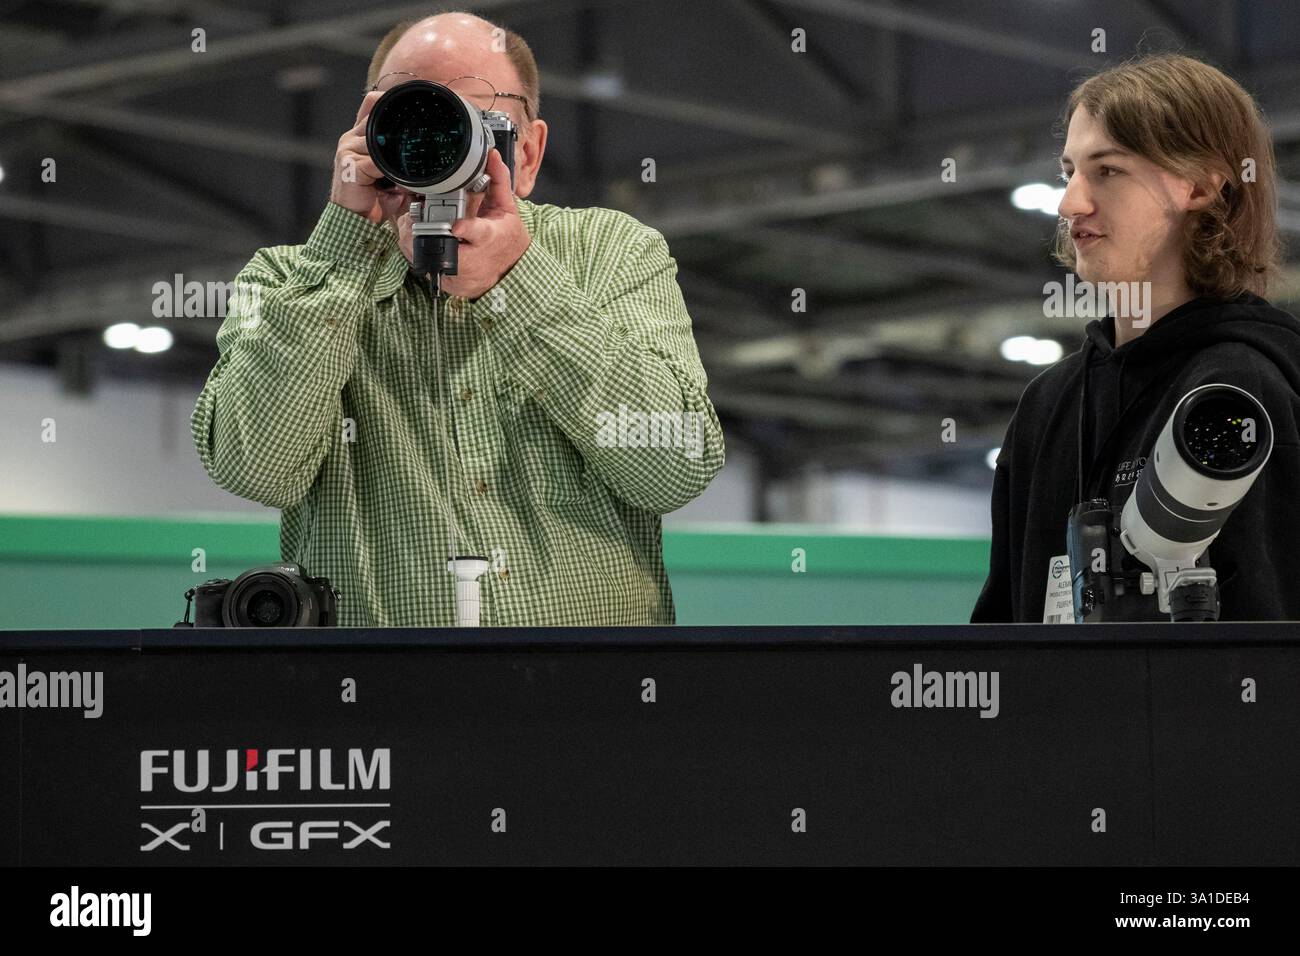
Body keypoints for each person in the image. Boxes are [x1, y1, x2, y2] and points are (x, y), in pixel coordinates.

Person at [190, 11, 725, 627]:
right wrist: (342, 250)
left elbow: (675, 468)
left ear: (527, 151)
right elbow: (255, 469)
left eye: (469, 117)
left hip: (590, 702)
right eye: (412, 116)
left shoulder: (611, 253)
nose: (439, 141)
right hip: (378, 704)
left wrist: (521, 285)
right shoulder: (287, 283)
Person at [972, 53, 1300, 623]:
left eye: (1108, 170)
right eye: (1068, 171)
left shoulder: (1246, 389)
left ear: (1200, 185)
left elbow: (1269, 648)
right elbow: (1001, 636)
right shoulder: (1047, 406)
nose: (1070, 203)